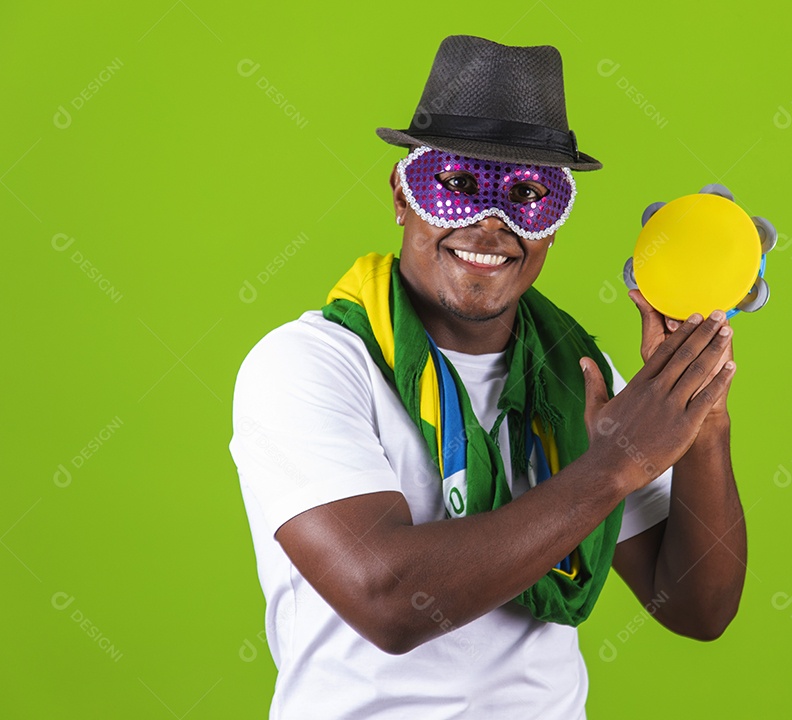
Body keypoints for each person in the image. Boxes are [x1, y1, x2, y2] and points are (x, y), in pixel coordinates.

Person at [229, 34, 747, 719]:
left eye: (527, 195)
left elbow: (696, 608)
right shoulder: (308, 365)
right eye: (457, 185)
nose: (490, 224)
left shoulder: (580, 375)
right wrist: (614, 465)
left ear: (553, 225)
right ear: (402, 196)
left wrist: (700, 418)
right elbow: (389, 601)